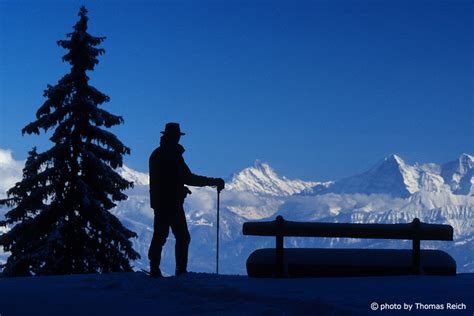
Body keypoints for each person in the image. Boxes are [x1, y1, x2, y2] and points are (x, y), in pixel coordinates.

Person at [148, 122, 225, 277]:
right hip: (172, 203)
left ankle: (155, 268)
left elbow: (165, 180)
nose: (178, 138)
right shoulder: (172, 155)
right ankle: (180, 270)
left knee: (160, 236)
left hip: (161, 202)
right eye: (177, 136)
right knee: (182, 237)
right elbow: (187, 177)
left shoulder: (158, 154)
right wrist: (213, 181)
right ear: (172, 136)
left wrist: (179, 188)